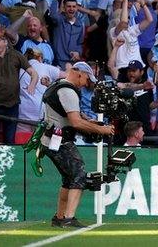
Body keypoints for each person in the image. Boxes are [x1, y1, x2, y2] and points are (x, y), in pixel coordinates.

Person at [40, 62, 115, 228]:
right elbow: (75, 122)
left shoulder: (58, 85)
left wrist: (91, 122)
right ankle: (69, 218)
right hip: (60, 140)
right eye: (87, 78)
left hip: (51, 139)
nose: (86, 83)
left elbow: (71, 114)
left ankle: (59, 218)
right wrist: (101, 130)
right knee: (79, 174)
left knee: (68, 178)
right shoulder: (68, 91)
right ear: (79, 73)